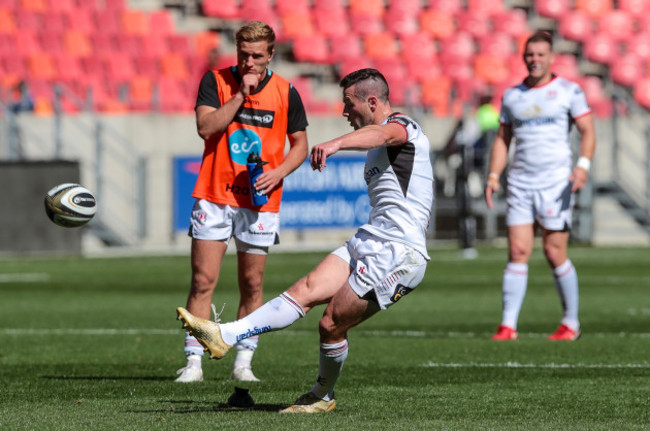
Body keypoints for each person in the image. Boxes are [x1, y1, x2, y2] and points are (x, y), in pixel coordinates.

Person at [176, 68, 434, 412]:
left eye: (349, 104)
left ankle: (322, 396)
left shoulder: (405, 127)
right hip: (371, 240)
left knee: (331, 324)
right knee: (305, 289)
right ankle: (224, 335)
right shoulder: (379, 139)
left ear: (372, 102)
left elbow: (386, 134)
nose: (344, 113)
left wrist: (336, 143)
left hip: (401, 254)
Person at [175, 21, 309, 383]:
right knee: (203, 280)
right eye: (243, 54)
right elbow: (207, 128)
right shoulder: (215, 82)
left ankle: (244, 361)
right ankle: (194, 361)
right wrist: (239, 96)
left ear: (270, 55)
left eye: (257, 56)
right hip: (215, 194)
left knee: (252, 284)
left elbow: (300, 145)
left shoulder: (286, 92)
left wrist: (279, 172)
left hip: (260, 200)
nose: (249, 62)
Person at [485, 31, 596, 341]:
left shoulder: (568, 91)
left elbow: (588, 131)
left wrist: (582, 167)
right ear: (524, 57)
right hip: (520, 182)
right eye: (529, 54)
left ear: (551, 57)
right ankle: (508, 326)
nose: (534, 59)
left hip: (555, 182)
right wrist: (494, 176)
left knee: (553, 251)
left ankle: (570, 323)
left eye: (540, 54)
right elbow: (502, 139)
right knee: (518, 250)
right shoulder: (512, 96)